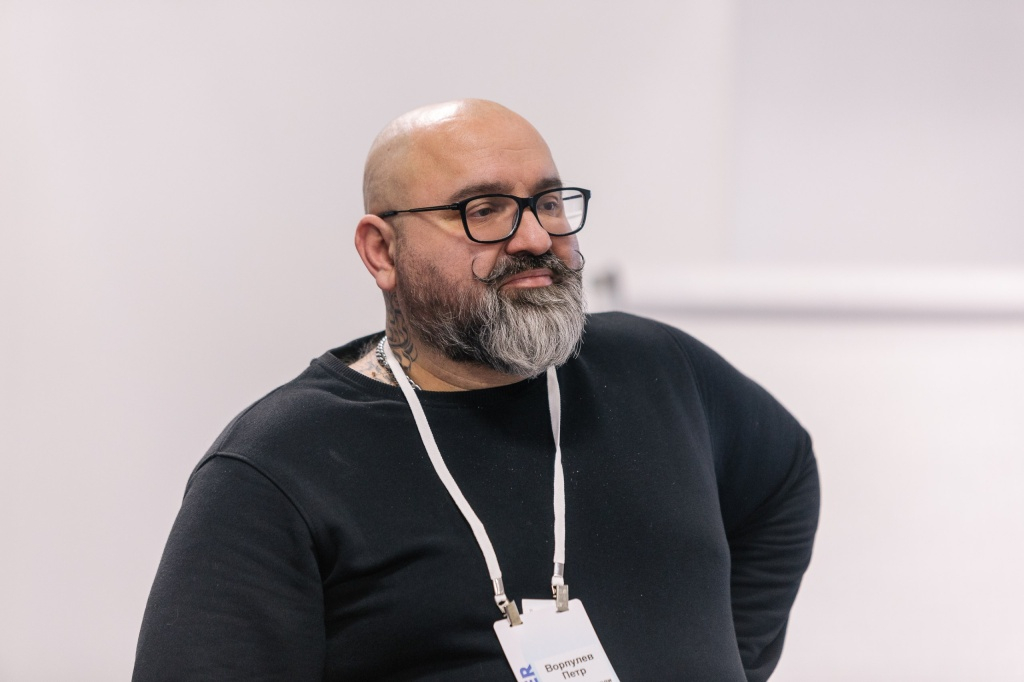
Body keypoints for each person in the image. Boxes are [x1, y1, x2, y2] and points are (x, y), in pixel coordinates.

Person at [133, 99, 820, 681]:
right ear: (382, 251)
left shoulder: (656, 369)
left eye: (548, 203)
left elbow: (785, 476)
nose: (535, 237)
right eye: (484, 210)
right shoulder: (280, 466)